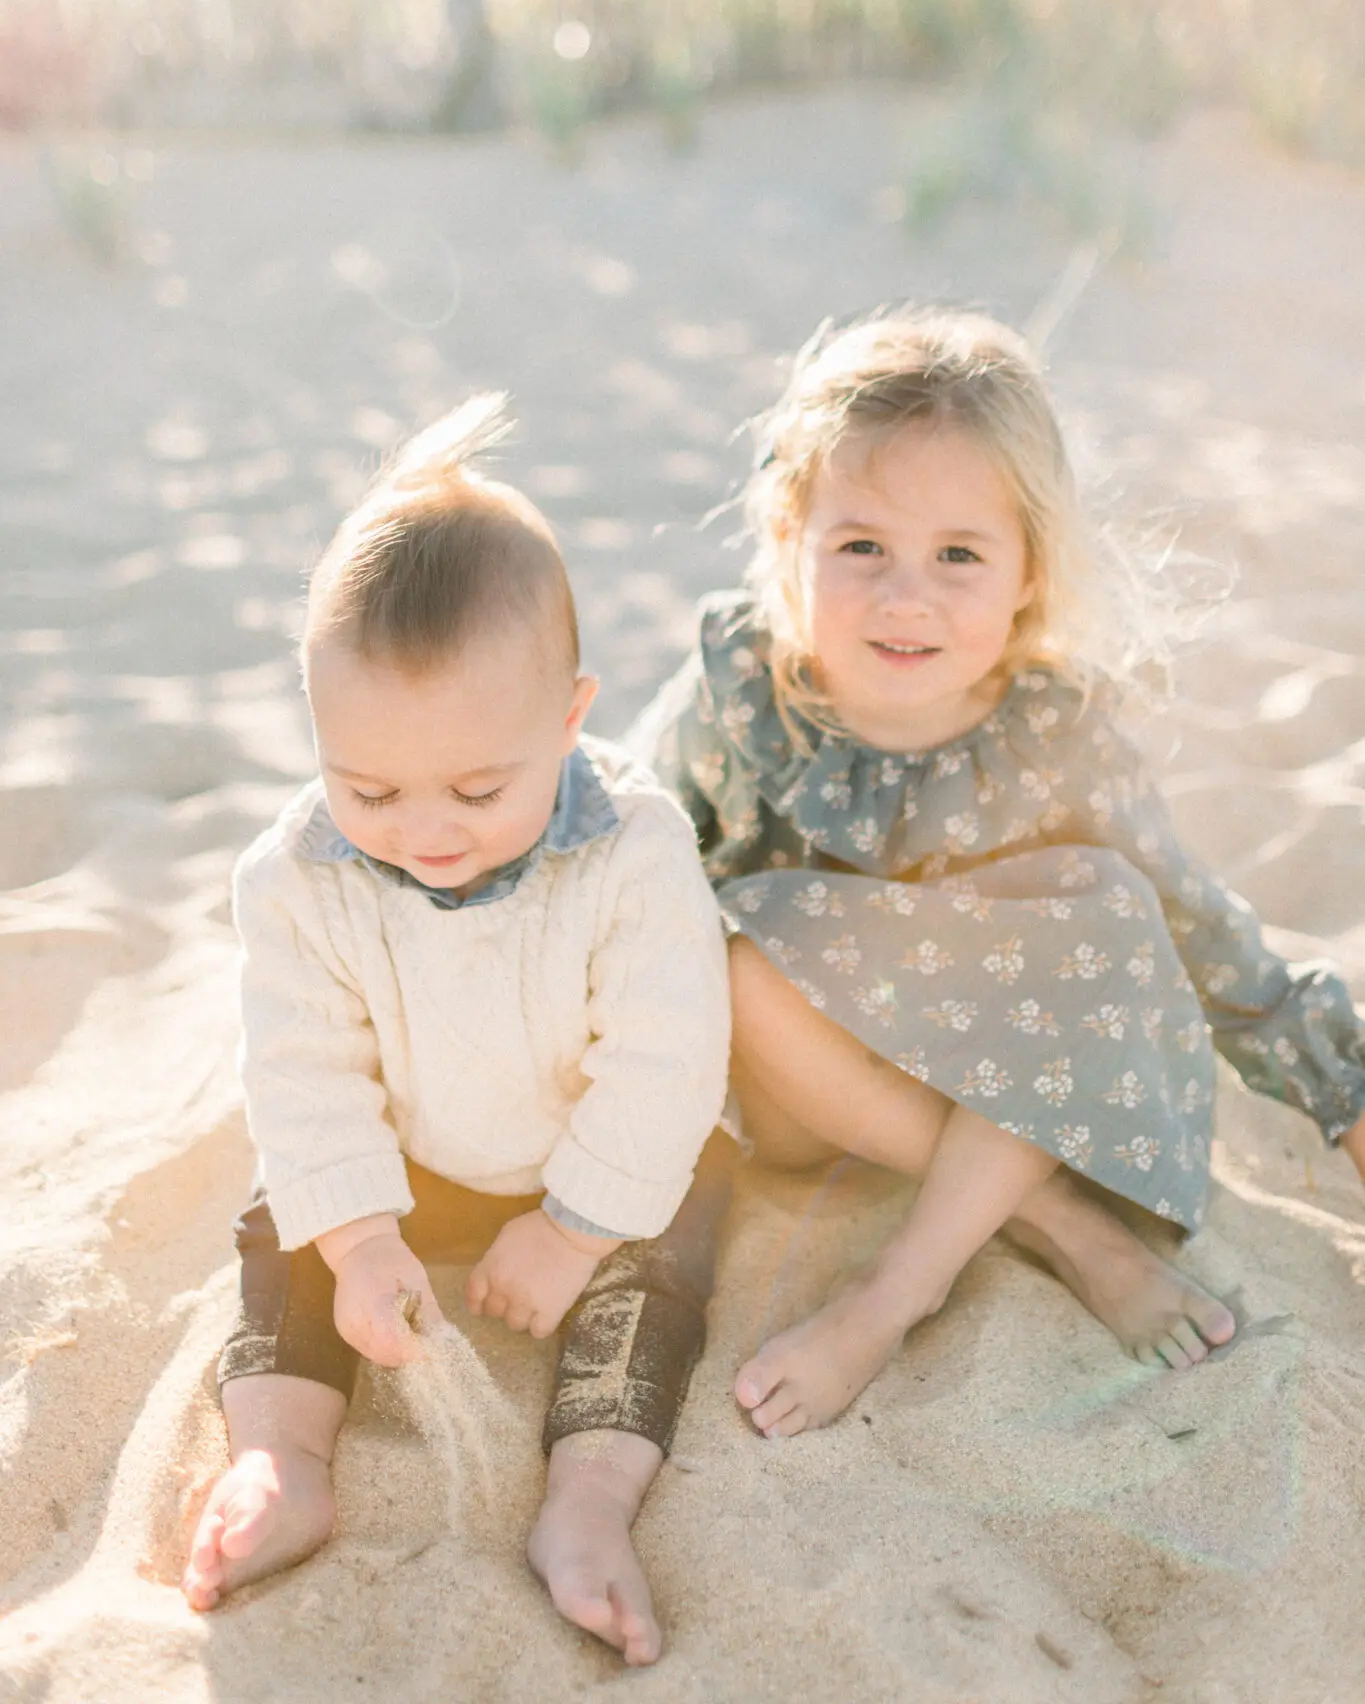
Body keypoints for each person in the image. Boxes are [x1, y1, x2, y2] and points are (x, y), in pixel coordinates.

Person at [635, 303, 1365, 1440]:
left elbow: (1206, 933)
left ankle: (897, 1291)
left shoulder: (1051, 728)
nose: (905, 595)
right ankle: (1069, 1227)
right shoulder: (743, 696)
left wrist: (1346, 1097)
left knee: (1111, 907)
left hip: (1034, 1092)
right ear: (792, 533)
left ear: (1029, 568)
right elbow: (624, 854)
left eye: (959, 554)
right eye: (861, 544)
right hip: (817, 1091)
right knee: (727, 945)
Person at [181, 395, 732, 1667]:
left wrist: (575, 1223)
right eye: (366, 786)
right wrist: (365, 1231)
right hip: (409, 1149)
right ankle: (282, 1455)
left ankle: (589, 1500)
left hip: (594, 1156)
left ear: (570, 716)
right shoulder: (294, 876)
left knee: (663, 1256)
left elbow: (666, 1059)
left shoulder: (634, 851)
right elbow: (307, 1067)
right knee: (286, 1220)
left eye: (480, 789)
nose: (426, 828)